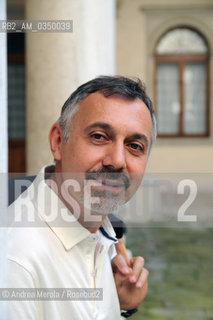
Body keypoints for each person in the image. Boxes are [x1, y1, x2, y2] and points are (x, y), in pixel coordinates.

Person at [5, 75, 156, 319]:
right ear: (58, 142)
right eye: (99, 136)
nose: (117, 161)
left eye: (135, 146)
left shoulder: (102, 232)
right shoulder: (16, 261)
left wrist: (122, 306)